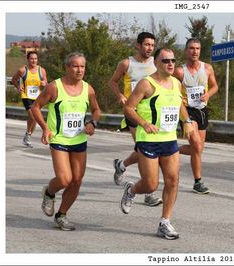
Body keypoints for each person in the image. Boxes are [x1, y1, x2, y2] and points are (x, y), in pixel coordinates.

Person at [121, 48, 194, 240]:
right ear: (156, 63)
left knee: (172, 180)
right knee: (151, 185)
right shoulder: (147, 84)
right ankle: (132, 190)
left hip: (169, 139)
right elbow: (128, 108)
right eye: (165, 61)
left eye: (173, 60)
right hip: (148, 140)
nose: (170, 64)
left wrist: (186, 121)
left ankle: (165, 222)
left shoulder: (177, 84)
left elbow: (179, 105)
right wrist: (144, 123)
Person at [31, 52, 101, 231]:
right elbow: (35, 107)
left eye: (82, 66)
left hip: (78, 139)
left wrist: (92, 122)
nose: (79, 70)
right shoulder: (55, 87)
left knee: (77, 180)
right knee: (64, 179)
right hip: (59, 138)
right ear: (67, 67)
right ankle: (49, 192)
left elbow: (96, 110)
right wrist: (45, 128)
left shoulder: (88, 89)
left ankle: (61, 215)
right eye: (75, 66)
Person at [108, 32, 162, 207]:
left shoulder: (157, 63)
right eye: (146, 44)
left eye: (152, 45)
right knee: (145, 150)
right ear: (138, 45)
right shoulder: (126, 63)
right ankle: (149, 193)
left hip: (152, 115)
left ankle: (122, 165)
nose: (149, 48)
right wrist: (121, 96)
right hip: (133, 112)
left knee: (143, 152)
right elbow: (113, 82)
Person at [173, 38, 218, 194]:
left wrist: (208, 95)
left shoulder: (207, 68)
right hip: (187, 111)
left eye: (197, 48)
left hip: (202, 111)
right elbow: (170, 87)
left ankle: (171, 149)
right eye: (191, 48)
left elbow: (214, 86)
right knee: (197, 146)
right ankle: (198, 182)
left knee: (198, 149)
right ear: (186, 51)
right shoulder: (179, 71)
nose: (195, 51)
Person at [12, 51, 48, 148]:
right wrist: (18, 87)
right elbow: (14, 79)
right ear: (28, 59)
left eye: (35, 59)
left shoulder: (42, 70)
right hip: (26, 96)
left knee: (34, 119)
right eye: (31, 58)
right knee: (33, 117)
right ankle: (27, 136)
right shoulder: (23, 70)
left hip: (37, 97)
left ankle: (28, 135)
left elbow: (45, 82)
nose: (34, 60)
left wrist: (44, 83)